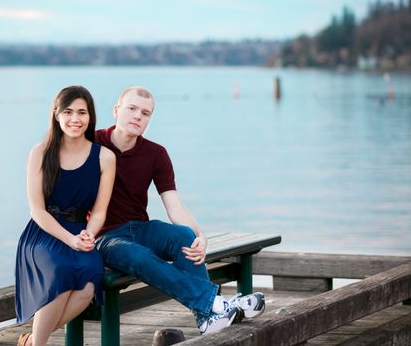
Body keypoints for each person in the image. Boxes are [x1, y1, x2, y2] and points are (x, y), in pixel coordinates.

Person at [94, 86, 265, 335]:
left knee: (184, 236)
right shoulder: (93, 144)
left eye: (145, 113)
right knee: (139, 256)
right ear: (116, 110)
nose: (138, 116)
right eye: (131, 109)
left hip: (140, 228)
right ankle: (215, 303)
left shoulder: (156, 153)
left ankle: (205, 319)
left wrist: (200, 235)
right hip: (107, 237)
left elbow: (173, 204)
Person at [15, 85, 116, 346]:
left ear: (90, 117)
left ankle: (30, 342)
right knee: (60, 274)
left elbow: (100, 211)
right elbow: (36, 210)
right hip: (43, 233)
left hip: (80, 232)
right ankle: (37, 344)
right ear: (56, 115)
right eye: (68, 112)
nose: (75, 119)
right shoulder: (40, 153)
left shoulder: (105, 157)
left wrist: (87, 235)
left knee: (89, 283)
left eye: (82, 112)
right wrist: (69, 240)